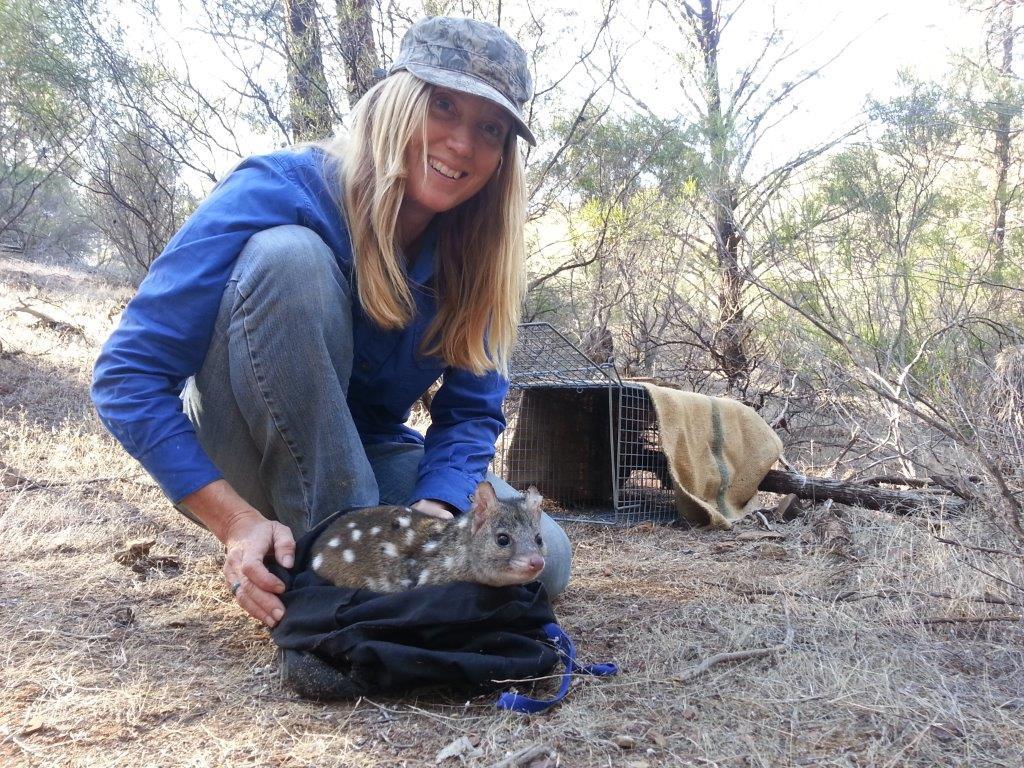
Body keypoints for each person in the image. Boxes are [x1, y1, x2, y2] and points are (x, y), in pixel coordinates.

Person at [91, 16, 572, 634]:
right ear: (396, 102)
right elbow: (126, 377)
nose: (461, 143)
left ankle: (343, 568)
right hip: (243, 437)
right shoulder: (277, 187)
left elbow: (473, 412)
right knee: (289, 256)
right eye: (442, 105)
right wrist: (234, 519)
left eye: (490, 128)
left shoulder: (475, 254)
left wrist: (435, 507)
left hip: (368, 448)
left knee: (542, 559)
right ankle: (340, 589)